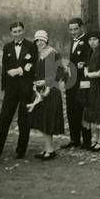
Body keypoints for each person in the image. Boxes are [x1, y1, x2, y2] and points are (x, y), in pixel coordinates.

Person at [0, 22, 37, 165]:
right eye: (14, 31)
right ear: (11, 33)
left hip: (26, 89)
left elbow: (33, 66)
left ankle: (21, 151)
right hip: (11, 90)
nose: (17, 33)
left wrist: (20, 70)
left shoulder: (31, 46)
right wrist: (4, 89)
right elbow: (5, 70)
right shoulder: (7, 47)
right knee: (3, 121)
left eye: (20, 30)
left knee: (23, 121)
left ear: (24, 31)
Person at [29, 30, 66, 161]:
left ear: (47, 40)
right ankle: (47, 148)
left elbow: (60, 73)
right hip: (41, 91)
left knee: (48, 120)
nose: (39, 43)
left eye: (42, 40)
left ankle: (50, 150)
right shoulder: (39, 54)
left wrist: (45, 82)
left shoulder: (53, 53)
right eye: (37, 40)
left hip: (51, 91)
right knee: (42, 121)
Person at [62, 17, 92, 150]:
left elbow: (93, 61)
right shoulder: (72, 41)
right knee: (71, 110)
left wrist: (85, 64)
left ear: (81, 28)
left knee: (82, 110)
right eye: (71, 30)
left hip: (83, 82)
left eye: (75, 29)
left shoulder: (88, 41)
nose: (73, 32)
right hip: (71, 82)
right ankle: (74, 139)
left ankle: (86, 140)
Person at [81, 31, 100, 151]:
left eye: (95, 39)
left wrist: (87, 73)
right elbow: (87, 66)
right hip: (91, 87)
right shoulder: (91, 52)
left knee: (99, 113)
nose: (92, 42)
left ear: (99, 40)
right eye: (90, 40)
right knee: (93, 113)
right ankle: (97, 139)